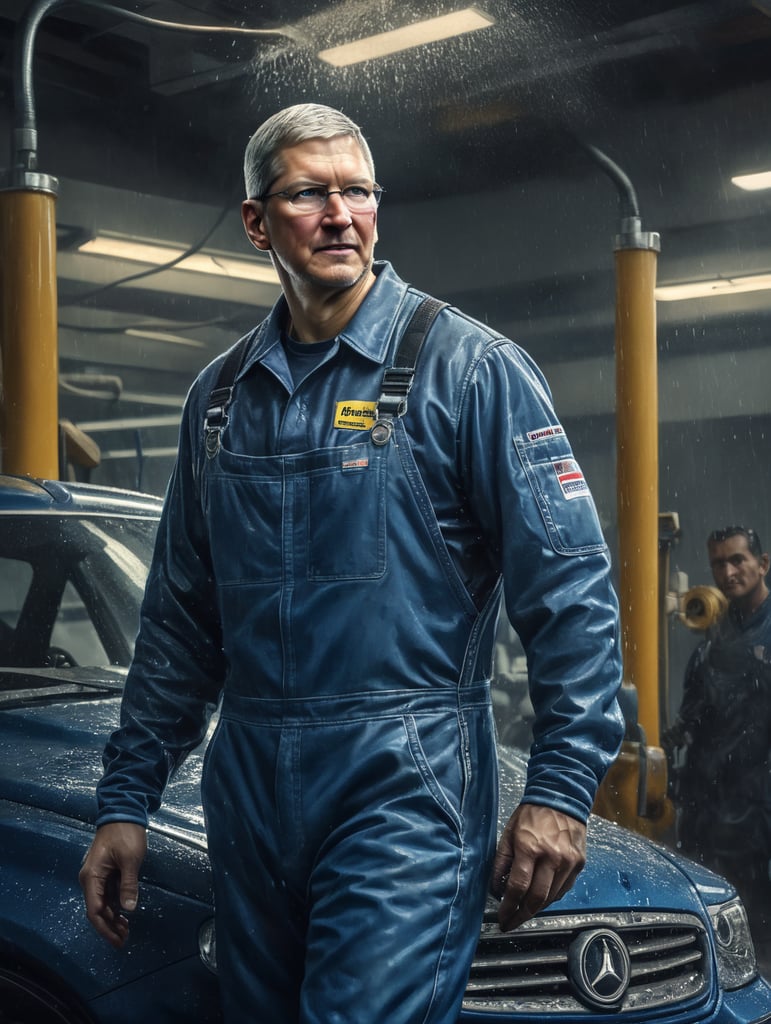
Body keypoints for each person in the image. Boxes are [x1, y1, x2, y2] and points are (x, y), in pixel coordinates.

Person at [79, 103, 624, 1023]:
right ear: (257, 221)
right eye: (309, 193)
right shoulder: (218, 401)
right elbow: (179, 626)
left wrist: (561, 790)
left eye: (357, 191)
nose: (340, 214)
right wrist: (126, 798)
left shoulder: (470, 371)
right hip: (248, 789)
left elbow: (570, 594)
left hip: (402, 787)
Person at [667, 525, 771, 949]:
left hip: (759, 805)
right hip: (708, 804)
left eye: (737, 560)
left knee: (758, 934)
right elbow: (693, 715)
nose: (727, 572)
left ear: (763, 564)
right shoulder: (711, 640)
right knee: (710, 926)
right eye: (718, 563)